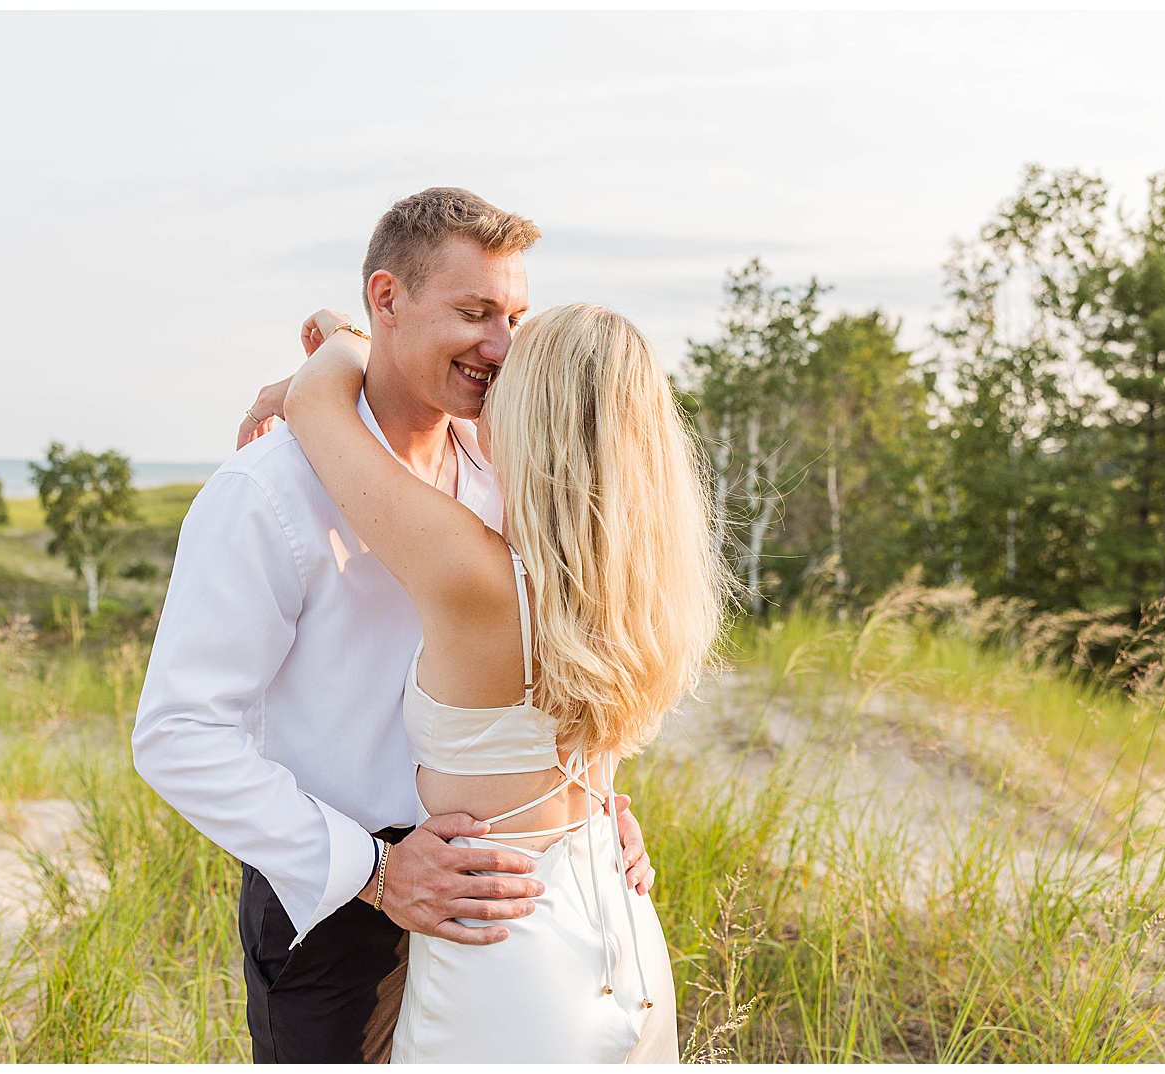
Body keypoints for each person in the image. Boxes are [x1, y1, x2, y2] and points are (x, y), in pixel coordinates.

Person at [130, 188, 656, 1064]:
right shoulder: (265, 492)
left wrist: (594, 798)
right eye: (474, 311)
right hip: (339, 909)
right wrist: (377, 874)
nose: (502, 345)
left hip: (517, 906)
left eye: (515, 316)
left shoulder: (509, 466)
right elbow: (180, 735)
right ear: (387, 300)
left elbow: (566, 654)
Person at [278, 301, 726, 1062]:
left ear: (531, 415)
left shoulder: (475, 574)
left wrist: (351, 333)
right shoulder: (638, 584)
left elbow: (313, 405)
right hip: (625, 934)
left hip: (507, 954)